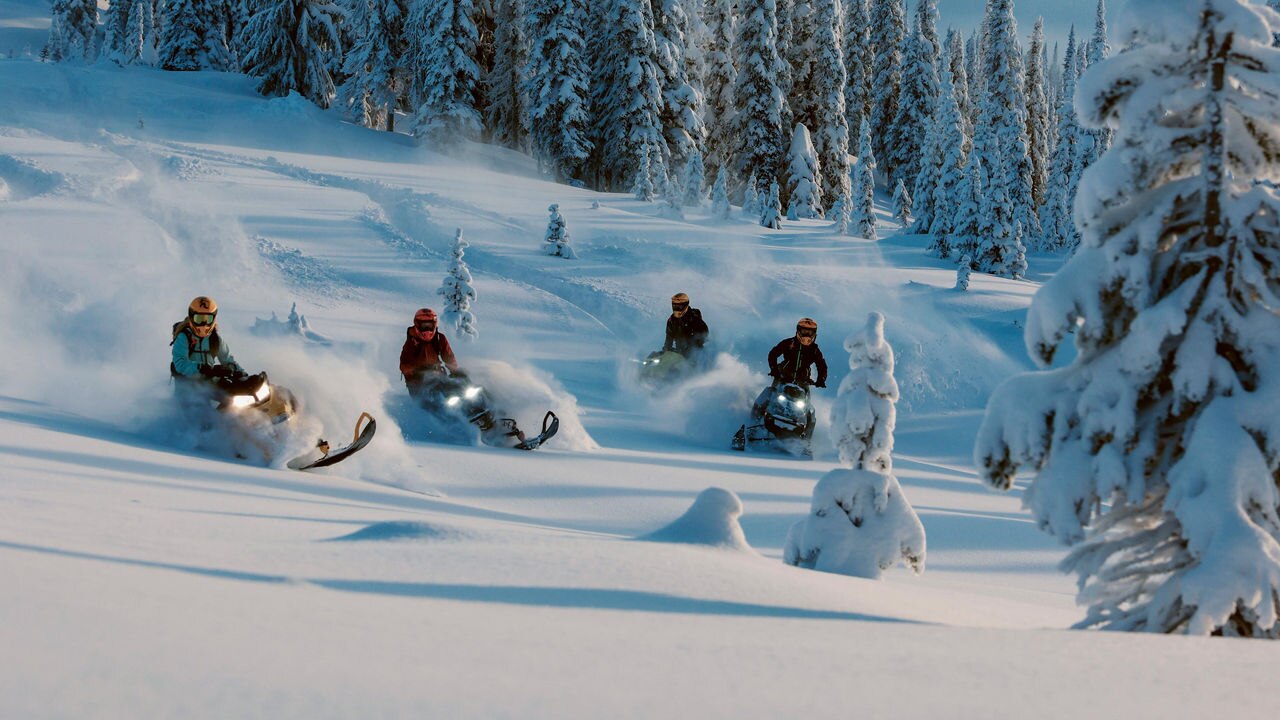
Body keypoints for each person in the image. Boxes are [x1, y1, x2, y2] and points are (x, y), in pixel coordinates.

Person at [752, 317, 827, 419]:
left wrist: (821, 380)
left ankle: (805, 429)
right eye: (804, 331)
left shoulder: (814, 350)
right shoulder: (789, 343)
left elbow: (821, 365)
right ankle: (755, 420)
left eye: (809, 332)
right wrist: (774, 370)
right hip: (783, 377)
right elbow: (773, 354)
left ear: (814, 333)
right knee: (770, 395)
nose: (806, 335)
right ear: (798, 330)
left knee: (808, 407)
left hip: (803, 382)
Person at [170, 295, 244, 384]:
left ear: (214, 319)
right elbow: (180, 364)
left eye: (208, 319)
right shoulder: (184, 337)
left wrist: (241, 373)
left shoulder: (215, 338)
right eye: (199, 319)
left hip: (209, 385)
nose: (204, 323)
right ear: (192, 317)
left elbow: (227, 360)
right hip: (186, 387)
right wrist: (201, 368)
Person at [399, 307, 459, 398]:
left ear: (434, 324)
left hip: (438, 376)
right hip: (418, 383)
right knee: (432, 401)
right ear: (417, 324)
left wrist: (455, 370)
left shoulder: (439, 338)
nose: (427, 329)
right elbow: (404, 364)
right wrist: (416, 371)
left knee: (458, 390)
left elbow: (448, 356)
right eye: (424, 326)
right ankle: (421, 412)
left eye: (429, 325)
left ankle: (477, 405)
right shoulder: (411, 342)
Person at [663, 292, 710, 359]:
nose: (677, 308)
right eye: (674, 306)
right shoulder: (672, 320)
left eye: (679, 306)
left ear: (686, 305)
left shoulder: (694, 318)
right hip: (680, 353)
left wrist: (694, 346)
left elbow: (704, 335)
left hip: (695, 354)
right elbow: (668, 338)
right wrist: (665, 351)